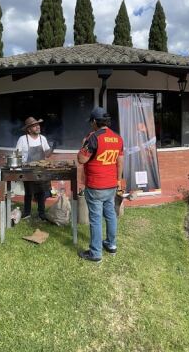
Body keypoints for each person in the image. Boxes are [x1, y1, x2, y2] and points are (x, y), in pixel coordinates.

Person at [76, 107, 124, 263]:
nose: (91, 125)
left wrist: (83, 145)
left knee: (96, 219)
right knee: (110, 214)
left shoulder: (93, 138)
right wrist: (118, 180)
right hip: (111, 184)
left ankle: (95, 253)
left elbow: (82, 159)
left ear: (95, 122)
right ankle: (111, 245)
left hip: (96, 185)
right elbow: (120, 160)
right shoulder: (118, 138)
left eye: (92, 122)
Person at [15, 117, 53, 220]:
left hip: (41, 169)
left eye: (38, 125)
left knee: (41, 192)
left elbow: (47, 154)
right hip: (28, 169)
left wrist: (52, 147)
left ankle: (41, 214)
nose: (38, 127)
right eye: (34, 126)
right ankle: (27, 213)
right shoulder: (23, 139)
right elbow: (17, 154)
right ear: (29, 129)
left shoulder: (43, 138)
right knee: (28, 192)